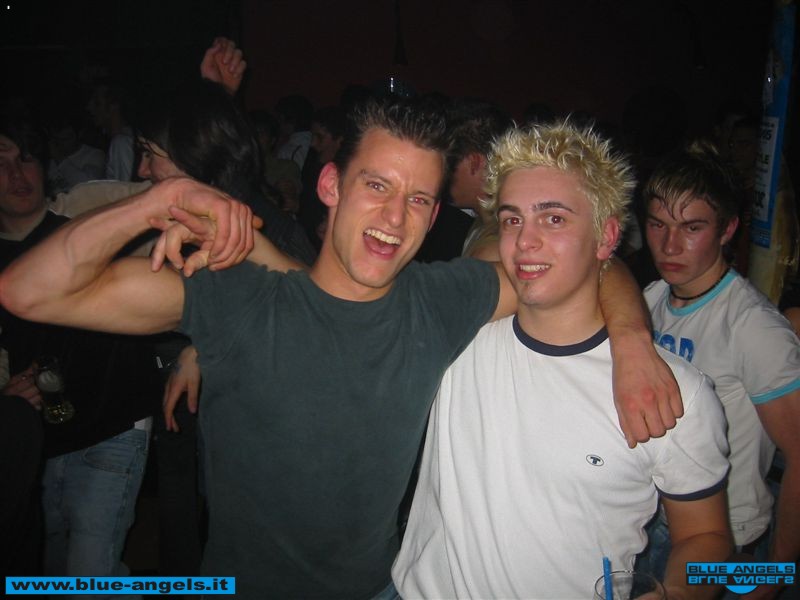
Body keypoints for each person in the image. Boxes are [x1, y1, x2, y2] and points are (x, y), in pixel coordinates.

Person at [0, 98, 681, 599]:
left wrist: (632, 340)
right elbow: (27, 292)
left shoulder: (439, 302)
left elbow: (577, 263)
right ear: (330, 185)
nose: (394, 218)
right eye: (376, 186)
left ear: (435, 216)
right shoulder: (239, 298)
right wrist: (161, 200)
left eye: (418, 199)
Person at [392, 121, 732, 599]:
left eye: (553, 219)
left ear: (606, 237)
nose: (524, 242)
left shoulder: (676, 393)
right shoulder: (456, 335)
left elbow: (707, 537)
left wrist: (676, 592)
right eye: (512, 220)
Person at [0, 122, 159, 589]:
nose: (16, 175)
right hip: (36, 441)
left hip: (112, 424)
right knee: (47, 573)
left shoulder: (85, 231)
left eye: (25, 159)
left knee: (91, 579)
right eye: (0, 165)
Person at [639, 141, 800, 595]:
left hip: (725, 541)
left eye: (692, 227)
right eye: (658, 224)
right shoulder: (650, 298)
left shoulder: (752, 326)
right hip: (652, 522)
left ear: (728, 229)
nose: (670, 245)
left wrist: (774, 577)